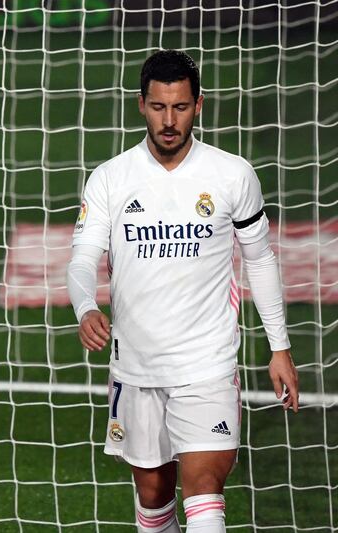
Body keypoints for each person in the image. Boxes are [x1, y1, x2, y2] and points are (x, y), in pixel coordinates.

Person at [66, 49, 300, 533]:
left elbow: (260, 259)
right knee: (153, 498)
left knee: (204, 490)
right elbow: (83, 258)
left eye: (179, 107)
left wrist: (280, 348)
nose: (169, 121)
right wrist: (86, 306)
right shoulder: (111, 178)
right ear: (140, 105)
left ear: (199, 105)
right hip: (136, 366)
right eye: (158, 107)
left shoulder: (232, 174)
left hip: (207, 364)